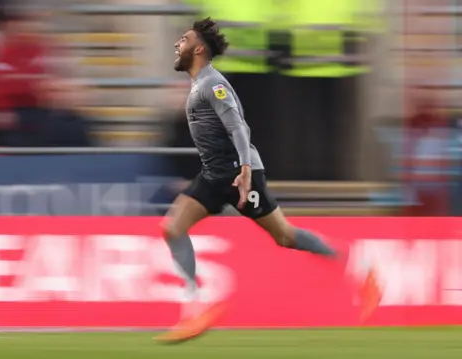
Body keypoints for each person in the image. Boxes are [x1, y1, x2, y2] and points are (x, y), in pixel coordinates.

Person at [155, 18, 380, 344]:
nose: (178, 45)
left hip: (237, 172)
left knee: (285, 236)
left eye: (184, 40)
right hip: (215, 174)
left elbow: (238, 129)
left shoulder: (214, 86)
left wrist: (245, 170)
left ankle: (358, 263)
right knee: (172, 228)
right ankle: (195, 309)